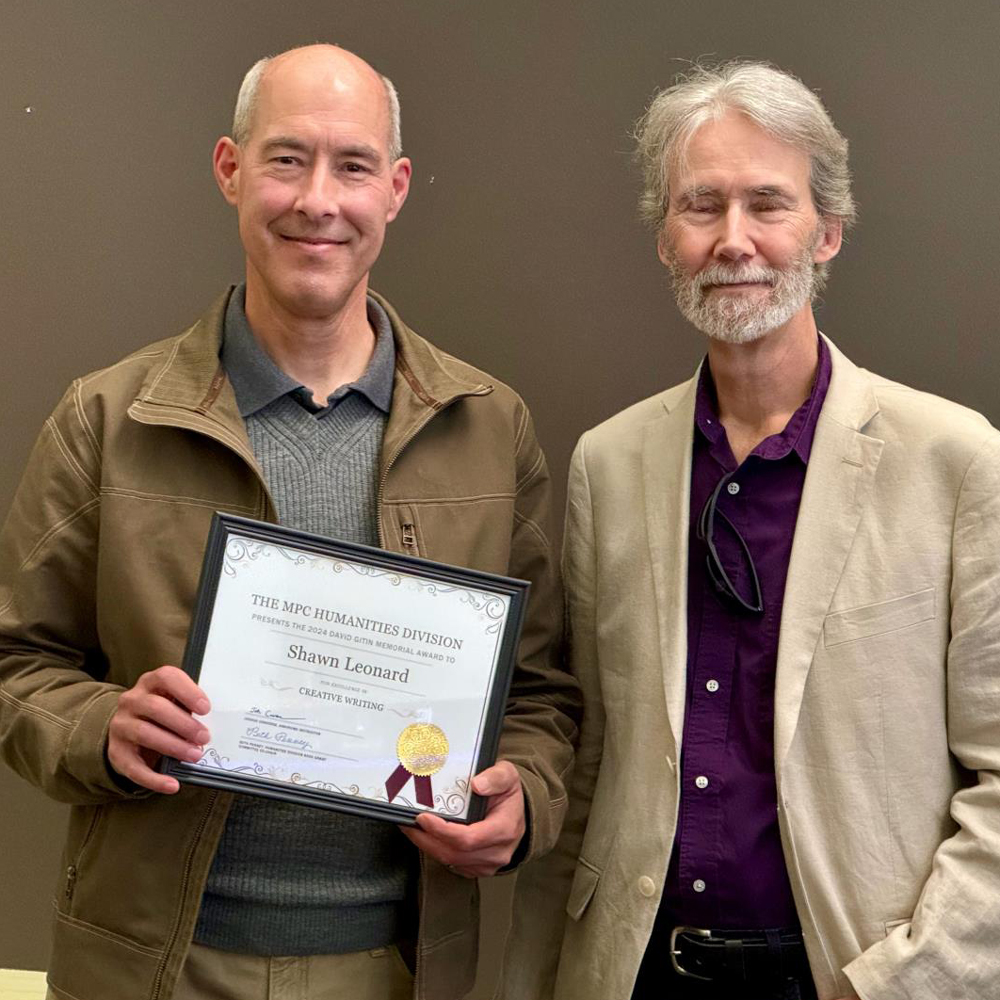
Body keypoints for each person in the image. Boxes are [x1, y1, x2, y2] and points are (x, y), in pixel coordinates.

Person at [0, 44, 578, 1000]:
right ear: (231, 171)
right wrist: (102, 725)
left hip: (398, 971)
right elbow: (14, 664)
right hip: (151, 968)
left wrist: (527, 798)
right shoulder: (105, 419)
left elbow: (544, 696)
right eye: (286, 158)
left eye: (352, 166)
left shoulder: (488, 426)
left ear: (393, 191)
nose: (319, 199)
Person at [501, 60, 1000, 1000]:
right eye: (702, 206)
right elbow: (595, 763)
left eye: (768, 203)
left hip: (852, 976)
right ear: (665, 238)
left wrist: (895, 985)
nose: (735, 240)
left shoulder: (956, 462)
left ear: (828, 233)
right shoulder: (607, 466)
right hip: (636, 974)